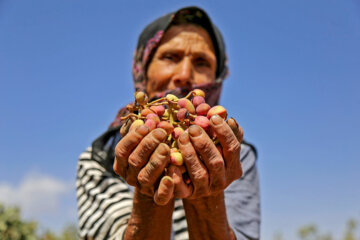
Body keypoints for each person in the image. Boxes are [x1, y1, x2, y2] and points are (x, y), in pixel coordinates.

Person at [76, 6, 260, 240]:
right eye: (170, 57)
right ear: (142, 68)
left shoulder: (236, 157)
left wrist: (207, 195)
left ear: (218, 77)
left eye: (202, 62)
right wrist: (148, 195)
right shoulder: (100, 159)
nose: (184, 74)